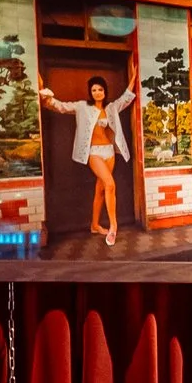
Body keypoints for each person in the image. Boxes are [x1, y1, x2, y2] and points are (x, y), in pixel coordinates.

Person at [39, 60, 136, 245]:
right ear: (90, 92)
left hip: (109, 152)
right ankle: (114, 226)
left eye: (100, 89)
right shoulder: (82, 107)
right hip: (94, 153)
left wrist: (134, 77)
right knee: (110, 184)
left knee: (101, 190)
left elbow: (126, 97)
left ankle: (94, 225)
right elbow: (60, 106)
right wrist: (45, 95)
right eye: (94, 90)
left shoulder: (111, 108)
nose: (97, 92)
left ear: (105, 91)